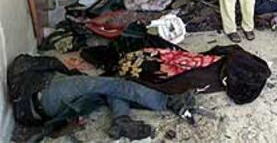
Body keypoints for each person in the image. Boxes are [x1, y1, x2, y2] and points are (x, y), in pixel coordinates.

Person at [8, 54, 196, 142]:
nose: (80, 63)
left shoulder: (65, 79)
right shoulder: (58, 76)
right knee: (114, 85)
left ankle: (121, 121)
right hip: (44, 96)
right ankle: (167, 101)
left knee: (110, 89)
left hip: (41, 106)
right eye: (76, 61)